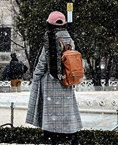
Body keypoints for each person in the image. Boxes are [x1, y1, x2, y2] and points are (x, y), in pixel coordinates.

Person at [26, 11, 82, 145]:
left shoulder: (50, 38)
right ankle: (72, 137)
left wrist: (36, 77)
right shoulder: (70, 39)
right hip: (67, 80)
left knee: (51, 115)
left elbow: (42, 62)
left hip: (51, 82)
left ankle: (52, 138)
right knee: (66, 113)